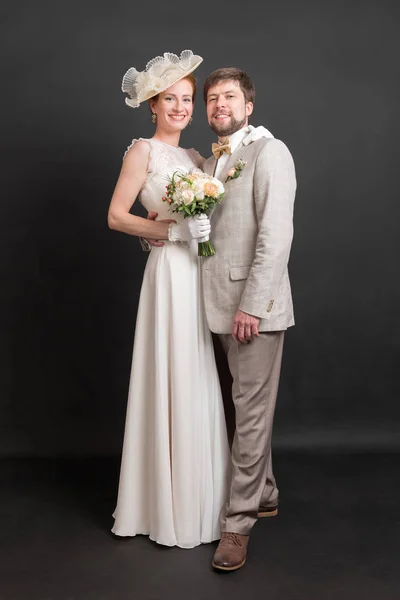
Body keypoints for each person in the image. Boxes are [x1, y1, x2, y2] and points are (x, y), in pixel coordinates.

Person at [108, 51, 268, 549]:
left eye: (185, 100)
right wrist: (168, 231)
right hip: (169, 278)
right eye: (170, 100)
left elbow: (227, 181)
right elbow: (116, 216)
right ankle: (163, 502)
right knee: (170, 371)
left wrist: (257, 140)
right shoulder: (143, 151)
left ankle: (201, 495)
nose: (180, 107)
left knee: (199, 377)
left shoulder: (197, 158)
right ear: (152, 106)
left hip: (199, 276)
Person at [200, 68, 297, 570]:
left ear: (248, 105)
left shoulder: (268, 152)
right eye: (213, 98)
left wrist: (252, 307)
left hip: (252, 311)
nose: (219, 104)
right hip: (219, 304)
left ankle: (237, 525)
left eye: (229, 97)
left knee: (250, 414)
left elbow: (275, 236)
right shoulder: (215, 161)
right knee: (246, 410)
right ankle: (266, 492)